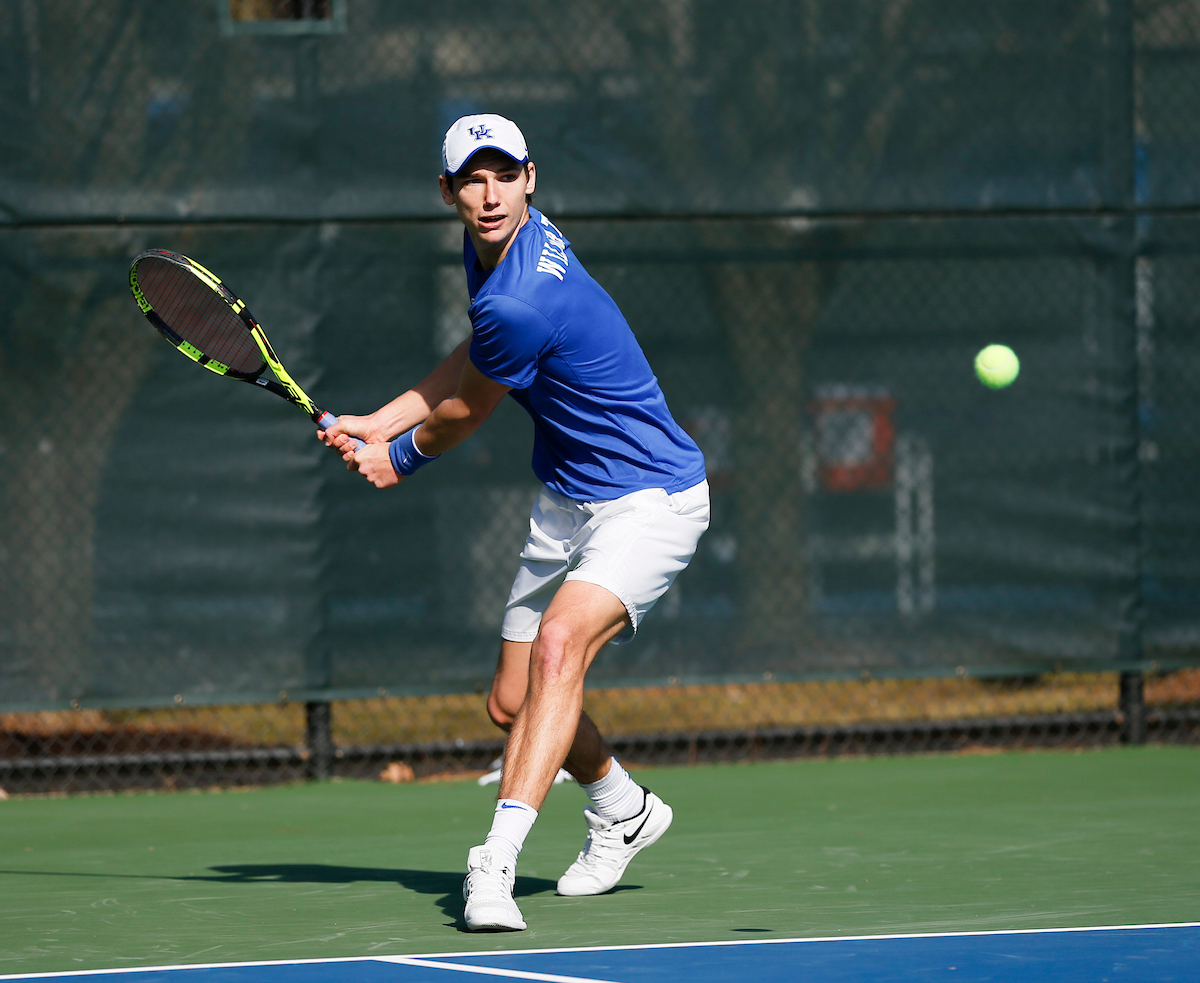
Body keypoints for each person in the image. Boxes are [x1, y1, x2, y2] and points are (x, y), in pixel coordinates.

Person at [320, 113, 709, 932]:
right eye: (472, 179)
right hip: (571, 493)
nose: (489, 194)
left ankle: (493, 865)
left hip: (651, 498)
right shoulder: (490, 250)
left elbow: (467, 410)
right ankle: (624, 807)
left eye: (504, 175)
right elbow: (472, 354)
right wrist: (378, 421)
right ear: (449, 191)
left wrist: (402, 456)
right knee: (511, 701)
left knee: (560, 648)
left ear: (532, 178)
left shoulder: (525, 289)